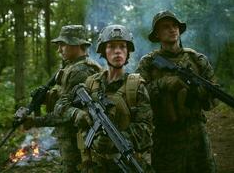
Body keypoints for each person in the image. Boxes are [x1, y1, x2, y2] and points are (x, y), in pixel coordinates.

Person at [136, 10, 218, 173]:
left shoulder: (197, 59)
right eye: (166, 27)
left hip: (197, 136)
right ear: (157, 34)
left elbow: (213, 100)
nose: (172, 29)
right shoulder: (148, 63)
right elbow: (138, 97)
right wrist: (163, 83)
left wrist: (197, 91)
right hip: (165, 138)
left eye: (175, 26)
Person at [69, 24, 153, 172]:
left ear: (128, 52)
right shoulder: (90, 83)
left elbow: (146, 129)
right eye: (111, 47)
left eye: (122, 46)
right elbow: (66, 109)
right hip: (94, 165)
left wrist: (117, 140)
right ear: (103, 51)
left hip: (124, 163)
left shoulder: (136, 86)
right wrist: (81, 119)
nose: (118, 51)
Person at [23, 25, 102, 172]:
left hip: (77, 141)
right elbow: (62, 99)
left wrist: (35, 121)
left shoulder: (81, 70)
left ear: (77, 44)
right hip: (71, 140)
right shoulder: (70, 67)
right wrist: (45, 97)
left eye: (63, 45)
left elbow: (65, 113)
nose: (59, 50)